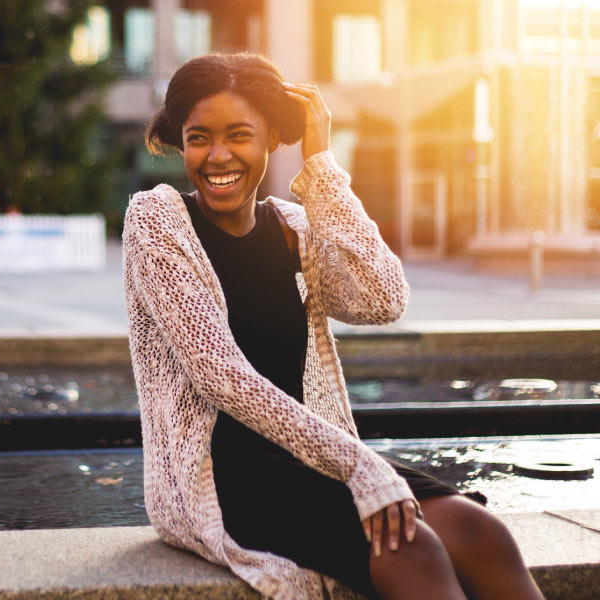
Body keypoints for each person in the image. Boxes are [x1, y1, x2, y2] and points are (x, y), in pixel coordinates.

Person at [122, 53, 543, 600]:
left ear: (274, 137)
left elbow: (383, 298)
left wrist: (320, 163)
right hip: (223, 476)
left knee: (481, 532)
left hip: (312, 458)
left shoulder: (293, 229)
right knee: (411, 549)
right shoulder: (156, 221)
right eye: (199, 137)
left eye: (239, 135)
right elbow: (219, 374)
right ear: (180, 141)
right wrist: (359, 467)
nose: (217, 155)